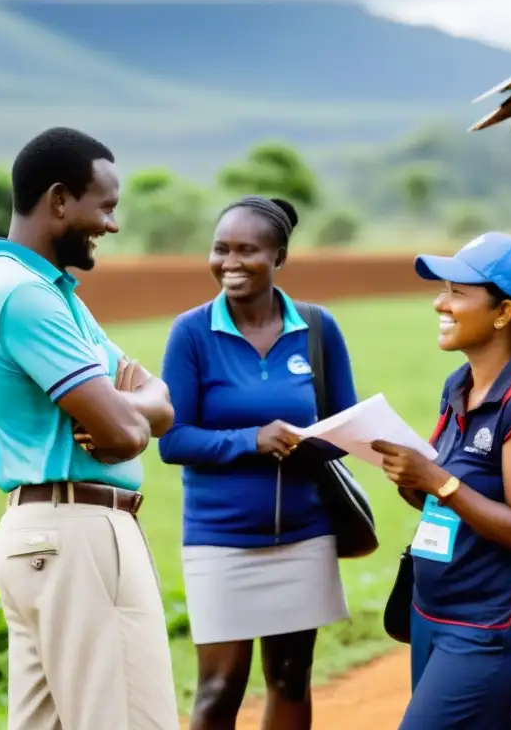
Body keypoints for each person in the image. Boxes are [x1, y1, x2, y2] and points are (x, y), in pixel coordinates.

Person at [0, 127, 179, 730]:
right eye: (105, 206)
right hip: (78, 533)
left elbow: (157, 405)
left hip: (45, 536)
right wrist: (131, 414)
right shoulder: (25, 296)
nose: (112, 224)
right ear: (59, 201)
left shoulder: (50, 295)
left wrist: (135, 410)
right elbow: (124, 428)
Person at [158, 196, 359, 730]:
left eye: (247, 250)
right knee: (219, 690)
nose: (230, 262)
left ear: (279, 257)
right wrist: (252, 440)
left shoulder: (317, 329)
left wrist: (310, 441)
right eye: (221, 248)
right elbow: (173, 440)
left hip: (305, 534)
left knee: (292, 677)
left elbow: (344, 428)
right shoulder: (192, 333)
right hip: (219, 540)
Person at [371, 232, 511, 730]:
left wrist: (436, 479)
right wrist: (412, 479)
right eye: (444, 289)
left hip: (493, 623)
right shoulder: (458, 385)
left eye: (458, 292)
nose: (441, 302)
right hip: (434, 610)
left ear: (503, 313)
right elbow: (452, 499)